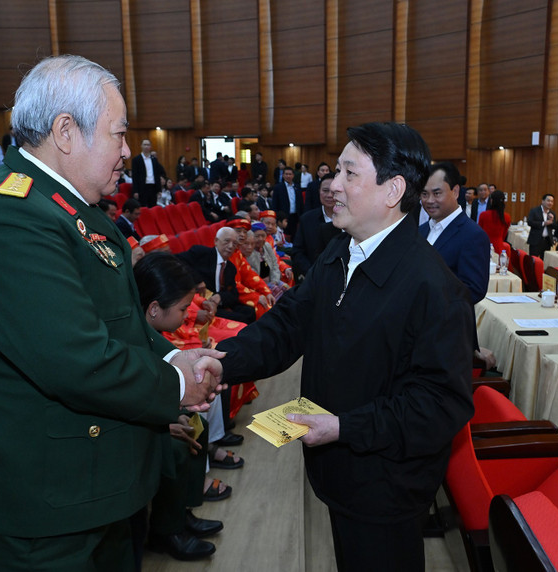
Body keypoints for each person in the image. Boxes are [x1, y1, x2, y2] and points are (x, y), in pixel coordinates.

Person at [0, 54, 224, 571]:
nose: (126, 152)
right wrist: (176, 387)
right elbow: (74, 358)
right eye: (118, 135)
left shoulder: (70, 211)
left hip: (94, 488)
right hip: (41, 506)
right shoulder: (11, 218)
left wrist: (173, 359)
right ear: (66, 132)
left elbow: (118, 323)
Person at [217, 122, 474, 572]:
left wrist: (344, 427)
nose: (332, 186)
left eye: (349, 174)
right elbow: (287, 324)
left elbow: (439, 405)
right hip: (339, 474)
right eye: (336, 172)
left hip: (385, 488)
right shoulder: (341, 251)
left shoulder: (434, 288)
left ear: (393, 189)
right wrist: (222, 363)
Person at [134, 252, 224, 562]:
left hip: (149, 410)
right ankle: (165, 531)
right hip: (132, 420)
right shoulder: (127, 334)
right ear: (155, 308)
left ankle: (181, 513)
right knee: (174, 445)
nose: (188, 315)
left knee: (196, 424)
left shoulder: (150, 330)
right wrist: (164, 422)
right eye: (184, 309)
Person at [418, 162, 490, 305]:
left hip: (448, 323)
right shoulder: (421, 230)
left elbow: (474, 290)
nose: (429, 200)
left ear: (455, 192)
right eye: (424, 194)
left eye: (437, 193)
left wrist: (424, 295)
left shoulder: (473, 235)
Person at [176, 227, 256, 324]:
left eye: (234, 244)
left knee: (250, 312)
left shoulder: (230, 267)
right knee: (241, 319)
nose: (230, 246)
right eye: (227, 241)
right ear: (216, 241)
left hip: (219, 303)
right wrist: (197, 280)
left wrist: (220, 297)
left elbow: (234, 295)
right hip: (201, 303)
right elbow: (176, 261)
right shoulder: (201, 253)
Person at [291, 173, 342, 278]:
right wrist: (312, 272)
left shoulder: (348, 219)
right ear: (319, 191)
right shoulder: (307, 219)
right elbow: (297, 252)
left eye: (333, 192)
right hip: (312, 277)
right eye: (325, 191)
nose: (329, 195)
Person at [131, 139, 166, 207]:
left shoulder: (154, 160)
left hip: (153, 187)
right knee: (143, 207)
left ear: (150, 147)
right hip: (142, 187)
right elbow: (135, 176)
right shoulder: (136, 160)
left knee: (153, 207)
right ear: (141, 146)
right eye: (145, 144)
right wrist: (135, 191)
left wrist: (159, 190)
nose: (146, 146)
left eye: (148, 145)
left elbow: (157, 175)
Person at [271, 166, 303, 238]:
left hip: (295, 216)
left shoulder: (297, 187)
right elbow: (274, 204)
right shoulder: (278, 187)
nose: (288, 176)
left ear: (293, 175)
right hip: (283, 216)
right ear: (283, 175)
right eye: (286, 174)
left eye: (290, 174)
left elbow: (300, 203)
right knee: (284, 236)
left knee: (295, 236)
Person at [478, 189, 511, 254]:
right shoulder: (506, 217)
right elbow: (504, 235)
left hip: (484, 246)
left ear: (491, 200)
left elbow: (479, 232)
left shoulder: (483, 215)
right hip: (499, 247)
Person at [526, 193, 556, 259]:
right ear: (543, 201)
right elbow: (530, 222)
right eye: (548, 201)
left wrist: (552, 221)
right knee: (533, 260)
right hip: (535, 240)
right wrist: (543, 223)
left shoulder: (552, 213)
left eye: (552, 201)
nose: (550, 203)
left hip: (547, 241)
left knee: (544, 261)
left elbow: (555, 226)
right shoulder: (534, 211)